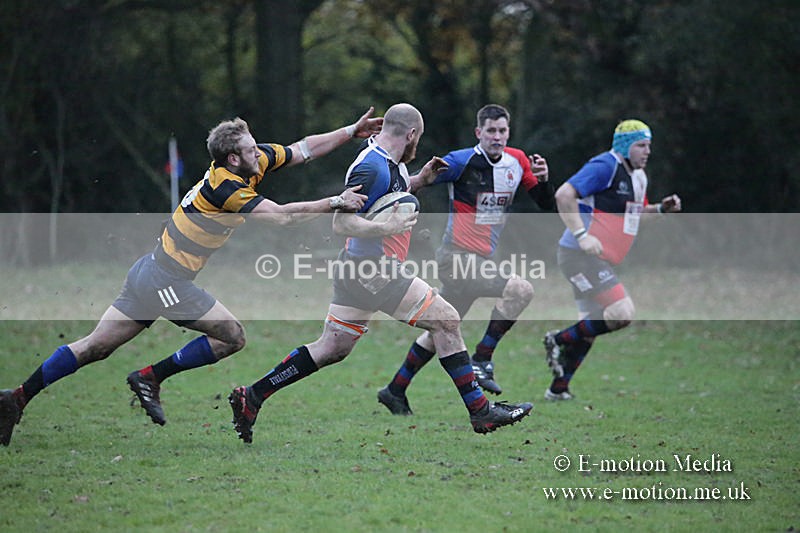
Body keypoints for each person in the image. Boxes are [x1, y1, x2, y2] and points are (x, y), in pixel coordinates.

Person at [0, 108, 383, 446]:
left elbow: (303, 149)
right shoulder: (225, 187)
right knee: (232, 336)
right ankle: (151, 376)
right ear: (233, 158)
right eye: (251, 150)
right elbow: (281, 217)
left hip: (149, 271)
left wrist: (351, 131)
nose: (259, 152)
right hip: (165, 281)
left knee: (94, 347)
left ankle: (16, 398)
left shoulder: (249, 162)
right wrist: (335, 201)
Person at [228, 103, 534, 444]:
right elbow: (342, 222)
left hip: (357, 268)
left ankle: (252, 396)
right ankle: (481, 411)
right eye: (419, 138)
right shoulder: (371, 167)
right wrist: (385, 227)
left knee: (333, 347)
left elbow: (388, 195)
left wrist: (420, 181)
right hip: (374, 269)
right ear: (412, 134)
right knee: (447, 320)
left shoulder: (391, 162)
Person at [376, 104, 554, 416]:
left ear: (508, 133)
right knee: (520, 289)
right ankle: (482, 359)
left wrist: (544, 181)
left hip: (481, 259)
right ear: (479, 133)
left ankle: (395, 390)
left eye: (502, 131)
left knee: (441, 328)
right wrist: (391, 194)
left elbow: (545, 203)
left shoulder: (518, 161)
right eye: (491, 131)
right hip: (456, 257)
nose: (497, 137)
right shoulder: (461, 161)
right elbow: (417, 182)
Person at [542, 119, 681, 401]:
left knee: (590, 326)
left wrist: (661, 209)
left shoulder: (639, 177)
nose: (647, 151)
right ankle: (556, 339)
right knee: (621, 313)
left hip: (596, 259)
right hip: (579, 256)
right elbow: (564, 195)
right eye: (641, 145)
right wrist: (582, 235)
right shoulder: (605, 165)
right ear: (625, 146)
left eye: (649, 145)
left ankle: (558, 389)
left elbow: (635, 216)